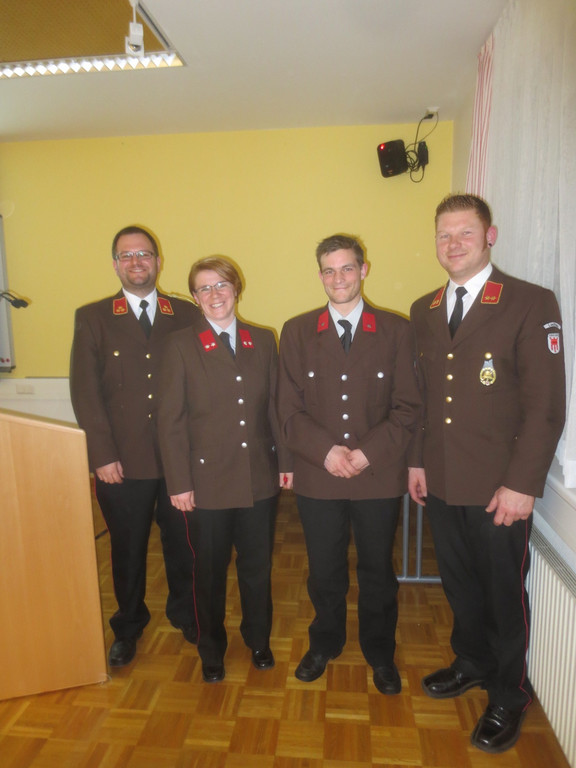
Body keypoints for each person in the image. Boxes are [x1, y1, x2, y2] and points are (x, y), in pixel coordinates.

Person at [408, 194, 565, 753]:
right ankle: (471, 661)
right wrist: (418, 460)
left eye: (465, 233)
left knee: (503, 593)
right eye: (444, 235)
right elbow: (424, 397)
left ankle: (509, 693)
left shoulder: (528, 301)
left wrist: (522, 484)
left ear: (489, 236)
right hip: (443, 479)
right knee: (459, 583)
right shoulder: (424, 309)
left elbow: (545, 405)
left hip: (501, 486)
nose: (453, 244)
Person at [277, 234, 421, 695]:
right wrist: (327, 451)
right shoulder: (297, 331)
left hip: (376, 474)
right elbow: (287, 408)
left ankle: (380, 651)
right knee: (324, 569)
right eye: (329, 270)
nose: (337, 278)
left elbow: (407, 406)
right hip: (319, 475)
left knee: (377, 570)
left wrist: (366, 452)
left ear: (364, 270)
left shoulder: (396, 331)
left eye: (346, 268)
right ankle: (325, 643)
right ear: (319, 275)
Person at [157, 256, 292, 683]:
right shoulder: (181, 345)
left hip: (257, 477)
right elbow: (170, 421)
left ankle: (259, 639)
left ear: (236, 287)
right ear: (195, 298)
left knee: (257, 568)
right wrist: (179, 482)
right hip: (206, 482)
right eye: (204, 288)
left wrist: (285, 462)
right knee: (209, 573)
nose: (214, 294)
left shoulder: (263, 339)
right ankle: (211, 648)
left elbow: (274, 407)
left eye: (221, 285)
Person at [70, 225, 200, 668]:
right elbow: (85, 392)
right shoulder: (93, 317)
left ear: (159, 262)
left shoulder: (185, 313)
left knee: (184, 544)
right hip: (121, 462)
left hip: (179, 460)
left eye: (144, 254)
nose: (136, 262)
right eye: (126, 256)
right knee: (126, 548)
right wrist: (101, 454)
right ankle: (127, 625)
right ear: (115, 265)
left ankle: (187, 613)